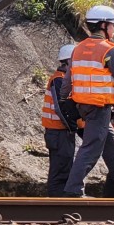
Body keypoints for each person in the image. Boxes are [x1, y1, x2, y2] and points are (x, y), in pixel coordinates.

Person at [61, 5, 114, 197]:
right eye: (112, 26)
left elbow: (66, 81)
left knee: (112, 144)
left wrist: (65, 100)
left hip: (84, 106)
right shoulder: (109, 50)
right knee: (91, 148)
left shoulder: (78, 49)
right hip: (99, 106)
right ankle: (73, 190)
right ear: (103, 25)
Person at [42, 44, 80, 197]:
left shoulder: (64, 79)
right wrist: (72, 127)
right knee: (60, 171)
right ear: (68, 61)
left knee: (64, 167)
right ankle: (56, 204)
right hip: (58, 133)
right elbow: (60, 108)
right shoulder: (59, 80)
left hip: (60, 132)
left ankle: (60, 202)